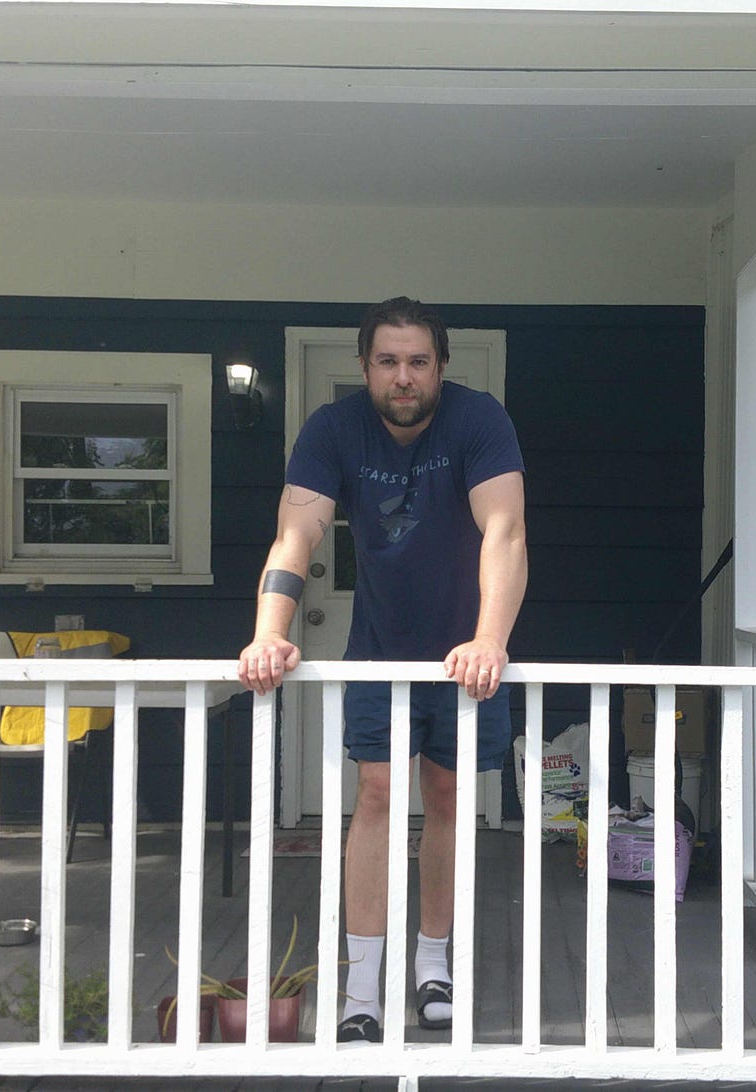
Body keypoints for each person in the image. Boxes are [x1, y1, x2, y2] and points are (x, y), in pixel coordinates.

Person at [238, 296, 527, 1043]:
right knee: (375, 792)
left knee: (449, 795)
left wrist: (489, 638)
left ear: (441, 367)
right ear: (366, 367)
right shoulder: (332, 429)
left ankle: (433, 967)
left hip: (467, 651)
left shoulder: (479, 420)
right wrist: (270, 634)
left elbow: (504, 529)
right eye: (389, 361)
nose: (404, 377)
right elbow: (296, 534)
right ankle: (361, 989)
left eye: (418, 362)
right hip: (379, 645)